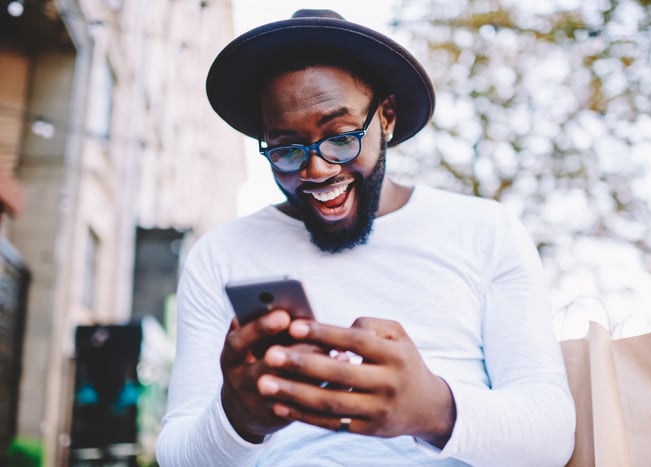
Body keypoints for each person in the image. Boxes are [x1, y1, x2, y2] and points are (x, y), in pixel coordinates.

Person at [156, 8, 576, 466]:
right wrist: (238, 420)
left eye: (340, 137)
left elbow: (553, 436)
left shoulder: (486, 231)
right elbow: (177, 455)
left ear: (387, 118)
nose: (317, 170)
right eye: (286, 150)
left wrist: (433, 410)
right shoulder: (220, 254)